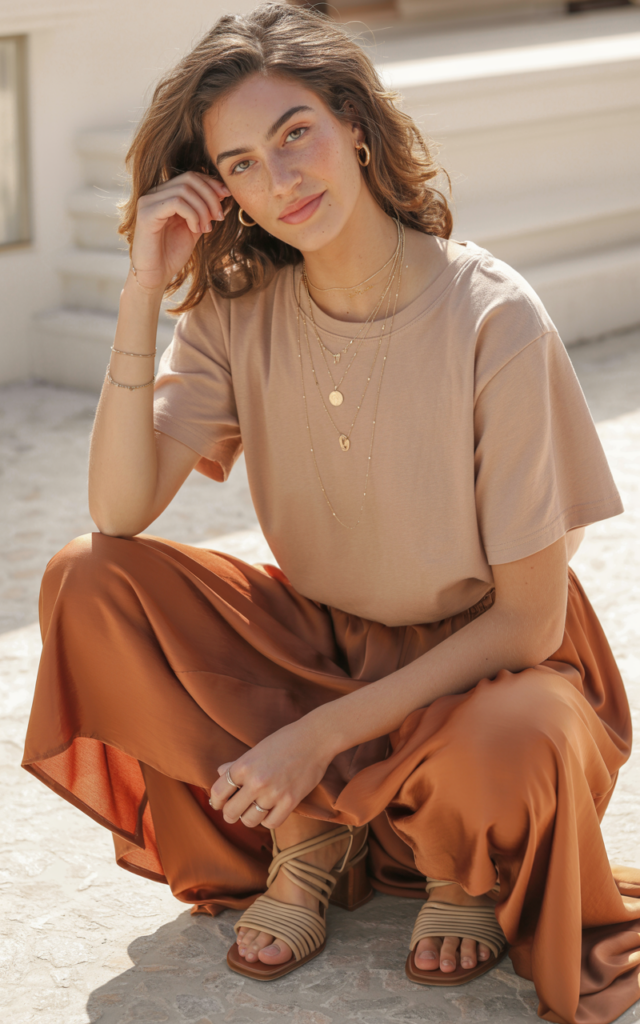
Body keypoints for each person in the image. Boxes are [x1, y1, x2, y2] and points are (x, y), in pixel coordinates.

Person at [22, 4, 640, 1021]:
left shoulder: (494, 318)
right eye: (243, 163)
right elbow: (119, 508)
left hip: (490, 663)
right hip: (319, 648)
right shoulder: (236, 312)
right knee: (88, 575)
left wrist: (314, 738)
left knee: (518, 733)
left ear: (354, 123)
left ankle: (453, 859)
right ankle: (317, 830)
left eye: (294, 134)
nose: (279, 181)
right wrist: (143, 290)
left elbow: (527, 623)